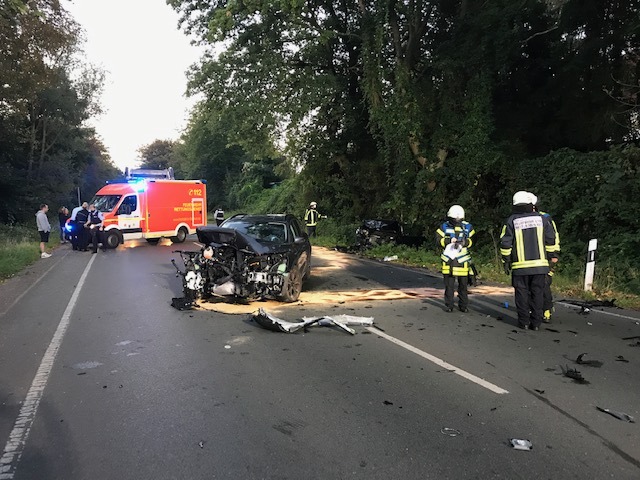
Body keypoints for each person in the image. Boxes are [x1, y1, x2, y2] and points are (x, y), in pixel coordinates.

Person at [500, 191, 556, 330]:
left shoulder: (512, 220)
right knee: (537, 293)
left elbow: (506, 243)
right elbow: (551, 240)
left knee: (521, 294)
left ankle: (524, 322)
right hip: (540, 266)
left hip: (520, 267)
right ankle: (536, 323)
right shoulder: (542, 219)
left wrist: (506, 260)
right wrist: (551, 257)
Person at [436, 205, 475, 312]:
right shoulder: (443, 227)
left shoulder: (467, 227)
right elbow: (438, 241)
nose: (457, 221)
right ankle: (449, 305)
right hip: (449, 261)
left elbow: (471, 241)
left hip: (462, 261)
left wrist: (464, 242)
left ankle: (463, 305)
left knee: (463, 286)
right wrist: (449, 241)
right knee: (449, 286)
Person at [530, 193, 560, 323]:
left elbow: (553, 237)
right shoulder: (524, 219)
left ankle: (546, 310)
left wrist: (553, 255)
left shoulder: (545, 218)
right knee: (531, 285)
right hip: (531, 257)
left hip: (546, 257)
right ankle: (535, 309)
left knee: (544, 283)